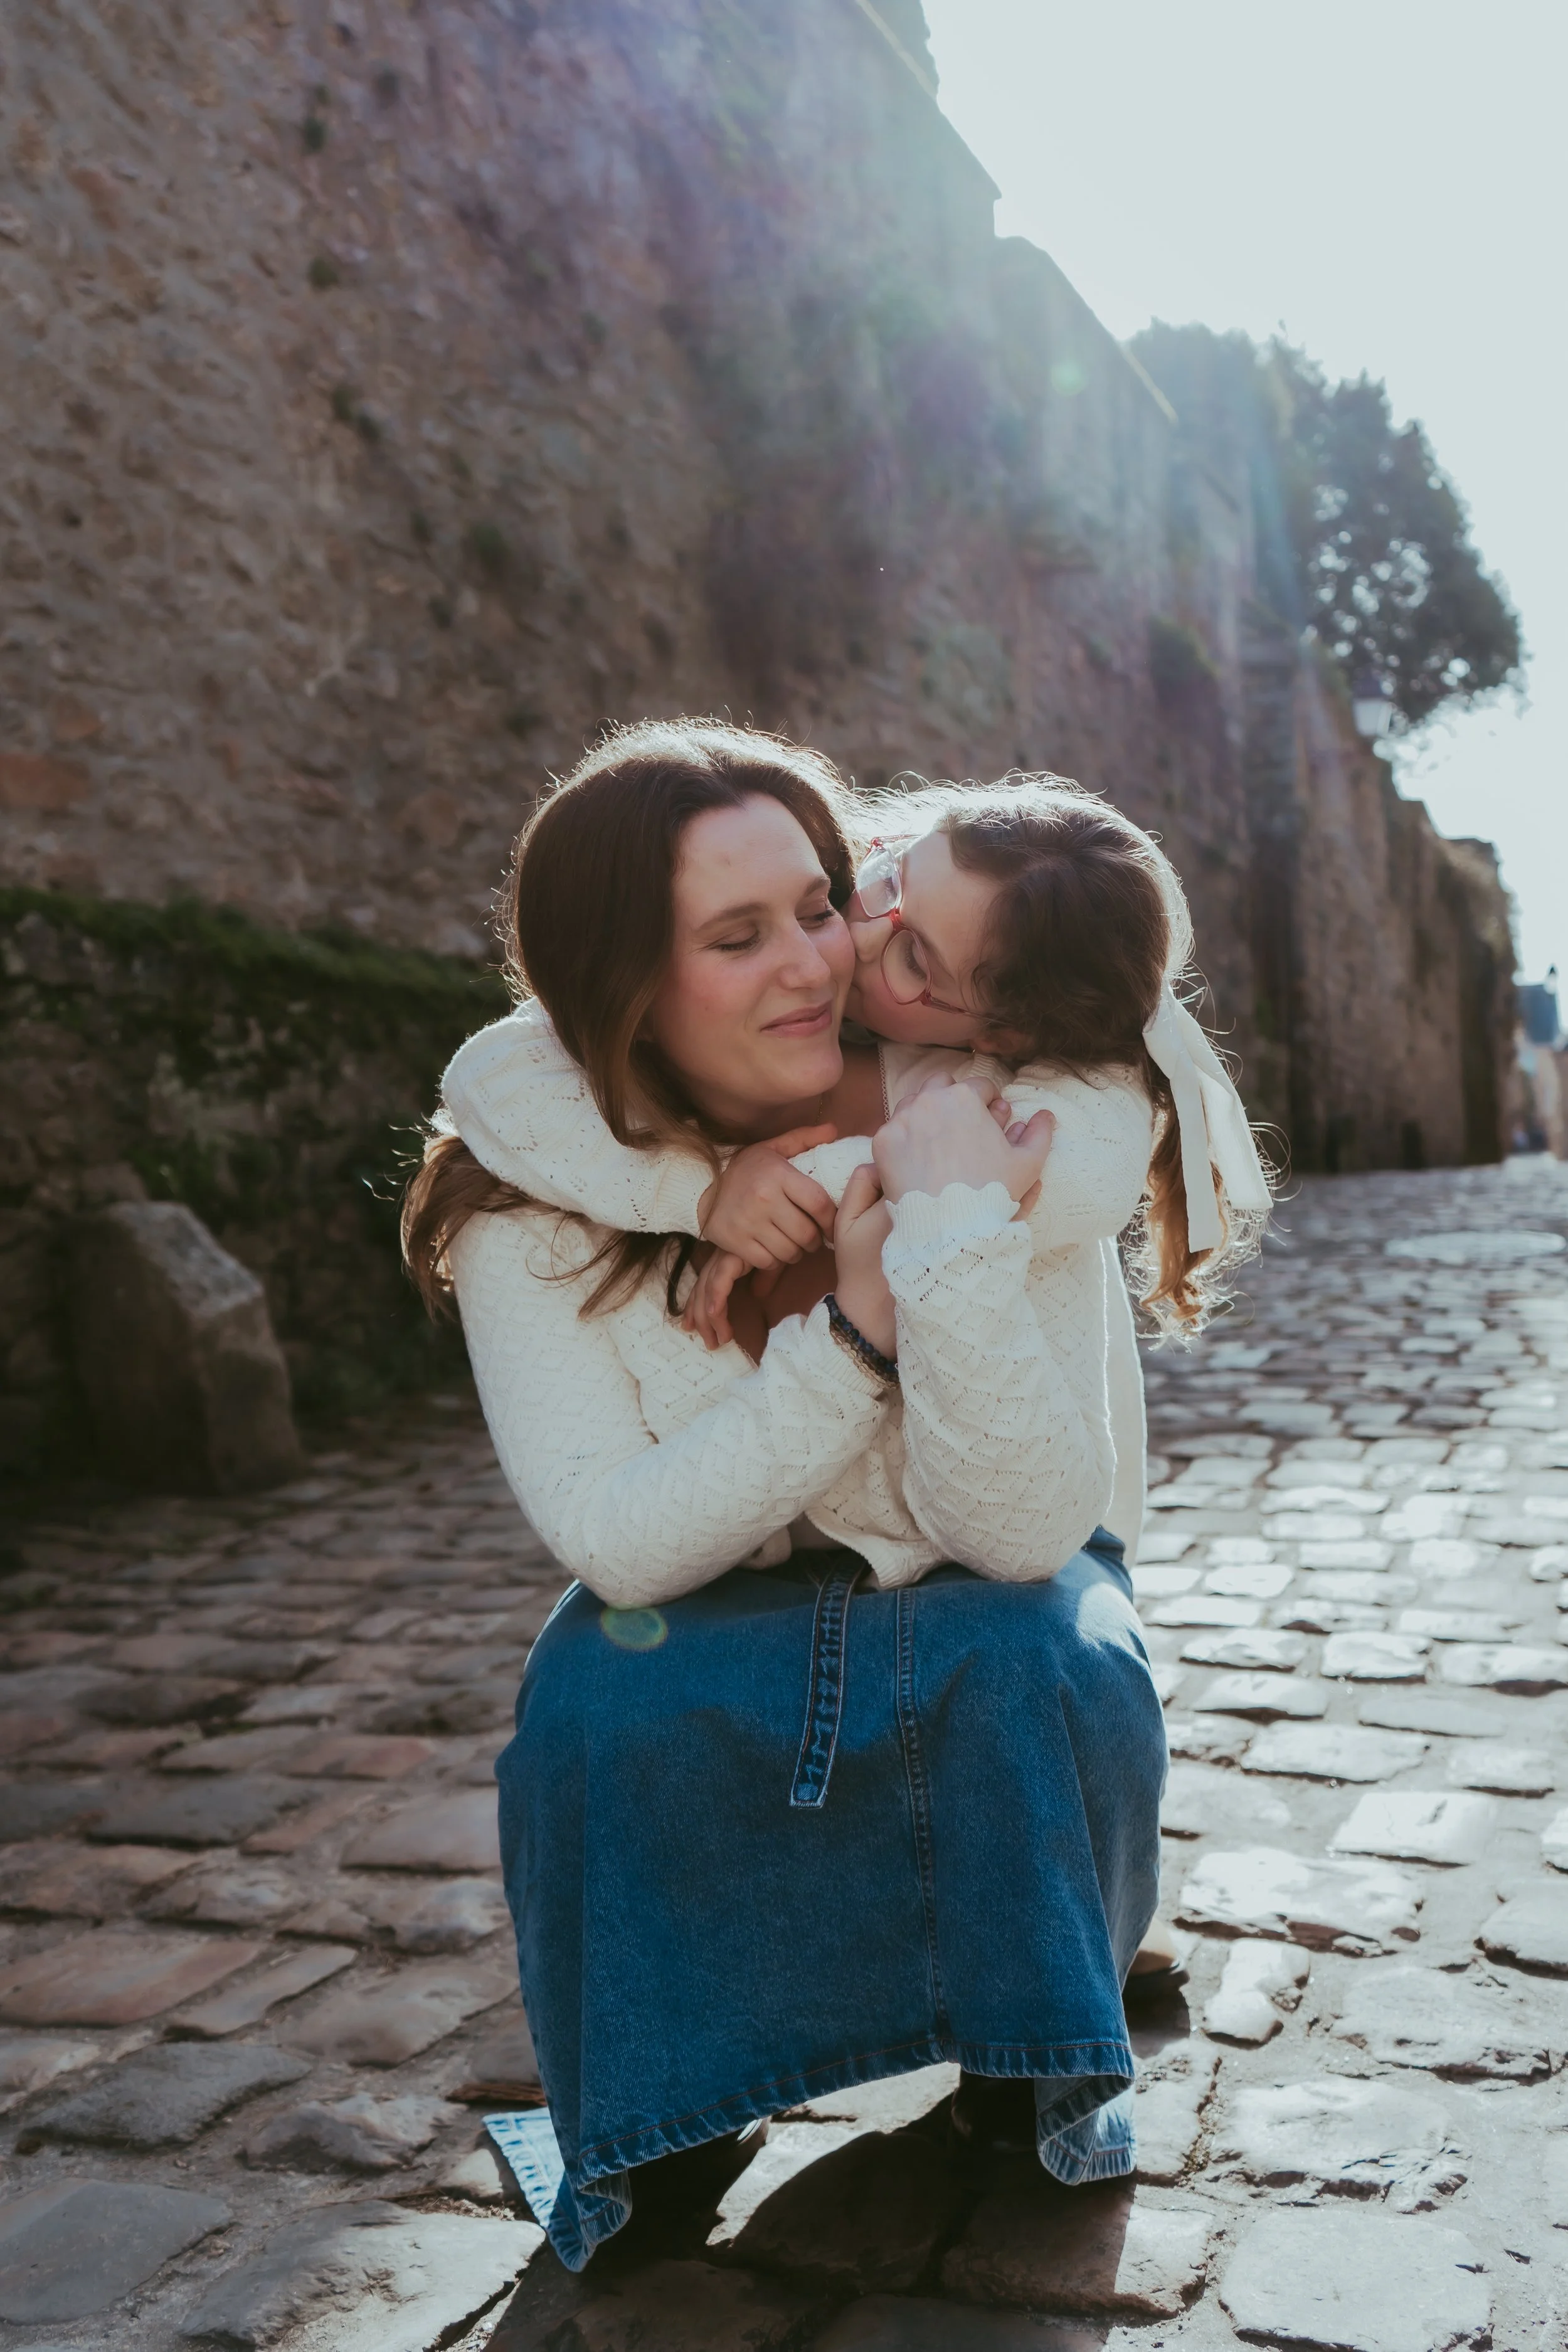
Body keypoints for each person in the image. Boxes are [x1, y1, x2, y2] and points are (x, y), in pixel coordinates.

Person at [403, 721, 1261, 2269]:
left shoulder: (983, 1101)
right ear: (619, 987)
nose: (816, 959)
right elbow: (614, 1542)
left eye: (814, 904)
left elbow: (1016, 1536)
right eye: (736, 937)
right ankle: (674, 2101)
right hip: (709, 1606)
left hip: (984, 1578)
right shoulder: (522, 1209)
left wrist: (941, 1236)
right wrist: (834, 1323)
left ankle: (1033, 2038)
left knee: (1033, 1657)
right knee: (597, 1700)